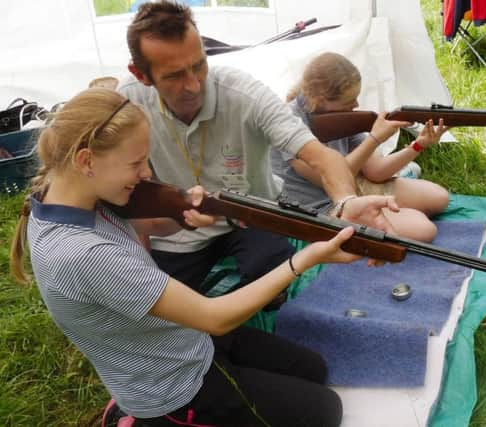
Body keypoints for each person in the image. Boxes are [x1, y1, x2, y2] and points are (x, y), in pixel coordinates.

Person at [9, 87, 389, 427]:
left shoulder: (67, 193)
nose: (145, 175)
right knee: (324, 411)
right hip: (172, 388)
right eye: (135, 164)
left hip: (184, 339)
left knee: (314, 369)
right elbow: (215, 316)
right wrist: (306, 259)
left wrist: (184, 215)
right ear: (86, 160)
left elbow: (147, 226)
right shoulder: (82, 254)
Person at [118, 1, 398, 309]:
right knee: (162, 309)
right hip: (176, 229)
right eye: (174, 75)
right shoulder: (124, 100)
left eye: (199, 64)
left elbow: (322, 156)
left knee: (272, 281)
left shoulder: (246, 94)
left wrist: (345, 201)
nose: (194, 84)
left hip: (254, 214)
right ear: (140, 74)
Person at [271, 52, 451, 242]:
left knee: (439, 198)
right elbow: (330, 178)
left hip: (352, 189)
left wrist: (417, 145)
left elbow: (376, 171)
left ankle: (383, 209)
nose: (356, 104)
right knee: (424, 229)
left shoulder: (338, 115)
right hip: (319, 206)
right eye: (349, 101)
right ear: (322, 99)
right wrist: (374, 139)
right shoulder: (289, 123)